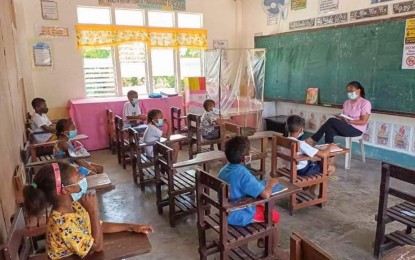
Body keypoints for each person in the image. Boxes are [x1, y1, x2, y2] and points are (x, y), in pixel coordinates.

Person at [23, 162, 154, 259]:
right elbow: (97, 246)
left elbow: (98, 226)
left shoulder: (73, 206)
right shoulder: (62, 223)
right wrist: (93, 211)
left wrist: (131, 226)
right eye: (77, 175)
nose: (81, 176)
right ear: (66, 189)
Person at [218, 136, 287, 258]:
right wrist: (270, 184)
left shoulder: (223, 170)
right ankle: (273, 250)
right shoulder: (243, 173)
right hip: (240, 214)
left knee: (263, 205)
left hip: (226, 210)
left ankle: (263, 240)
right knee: (275, 215)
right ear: (245, 158)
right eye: (249, 152)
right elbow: (265, 194)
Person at [306, 81, 371, 145]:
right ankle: (329, 151)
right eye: (348, 91)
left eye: (351, 91)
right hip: (346, 127)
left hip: (356, 130)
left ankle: (313, 139)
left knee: (331, 120)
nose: (349, 93)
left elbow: (363, 121)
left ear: (358, 91)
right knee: (329, 128)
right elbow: (345, 118)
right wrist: (341, 118)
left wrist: (349, 121)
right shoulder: (346, 103)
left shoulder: (365, 103)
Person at [286, 115, 336, 196]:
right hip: (301, 170)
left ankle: (308, 187)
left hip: (289, 167)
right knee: (331, 168)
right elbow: (323, 154)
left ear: (286, 128)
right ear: (301, 129)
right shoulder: (300, 144)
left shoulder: (284, 140)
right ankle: (310, 189)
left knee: (316, 163)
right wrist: (330, 145)